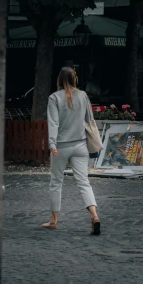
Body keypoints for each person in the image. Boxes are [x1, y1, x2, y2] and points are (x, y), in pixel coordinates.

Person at [42, 66, 101, 234]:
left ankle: (54, 221)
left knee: (56, 182)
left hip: (61, 146)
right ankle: (94, 216)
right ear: (75, 79)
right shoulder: (83, 96)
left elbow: (53, 123)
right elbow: (89, 119)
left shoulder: (54, 98)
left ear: (59, 80)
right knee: (84, 182)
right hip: (81, 145)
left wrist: (52, 144)